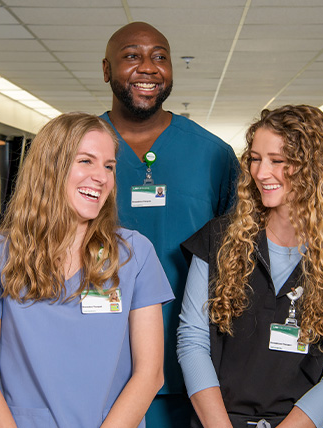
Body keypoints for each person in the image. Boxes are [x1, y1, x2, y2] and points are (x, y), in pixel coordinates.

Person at [0, 112, 174, 427]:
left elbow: (149, 374)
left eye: (109, 166)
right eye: (86, 161)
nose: (102, 176)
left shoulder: (134, 254)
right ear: (50, 167)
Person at [177, 105, 323, 428]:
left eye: (277, 161)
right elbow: (192, 341)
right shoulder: (218, 239)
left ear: (313, 168)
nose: (261, 172)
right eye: (255, 158)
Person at [101, 21, 240, 426]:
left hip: (186, 368)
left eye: (160, 57)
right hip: (95, 358)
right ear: (107, 70)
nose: (148, 67)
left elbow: (237, 257)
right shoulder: (78, 150)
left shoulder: (213, 155)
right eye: (132, 56)